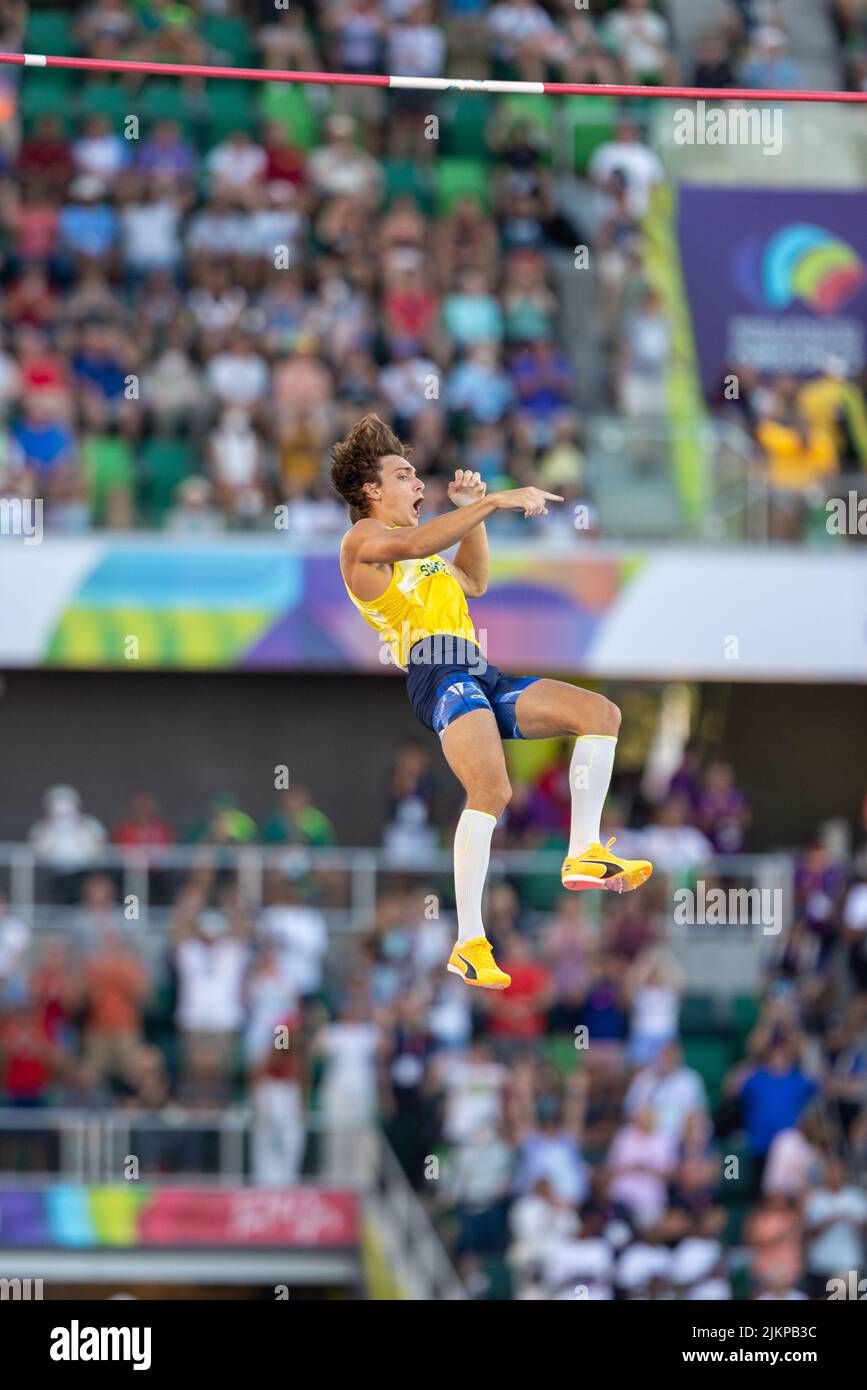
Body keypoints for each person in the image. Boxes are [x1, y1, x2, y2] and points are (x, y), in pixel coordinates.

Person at [331, 414, 652, 990]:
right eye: (405, 477)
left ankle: (583, 852)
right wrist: (498, 501)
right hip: (435, 670)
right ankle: (469, 942)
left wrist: (470, 508)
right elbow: (414, 540)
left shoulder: (423, 553)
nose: (417, 486)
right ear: (371, 491)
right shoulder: (363, 541)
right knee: (492, 789)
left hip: (480, 671)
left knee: (600, 715)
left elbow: (474, 582)